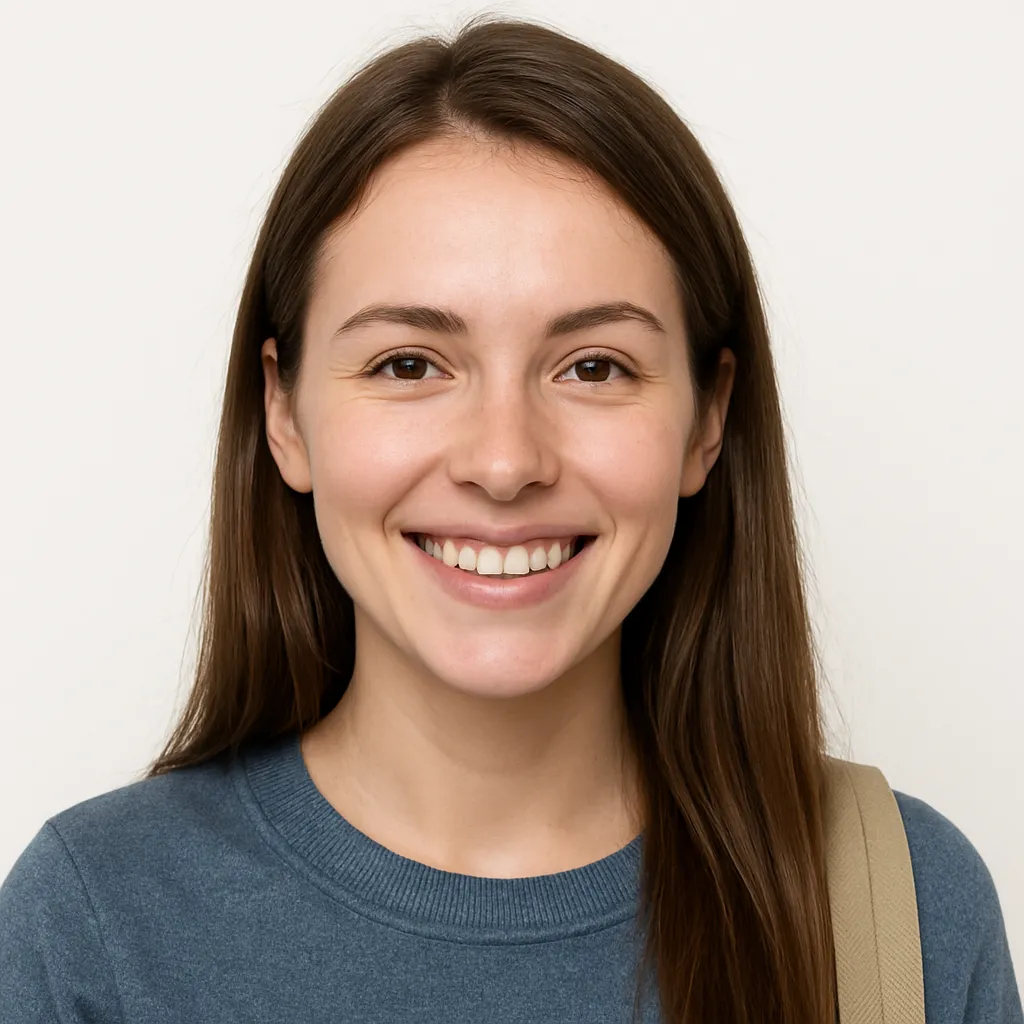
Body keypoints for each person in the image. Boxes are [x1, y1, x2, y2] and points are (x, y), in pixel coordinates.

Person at [0, 15, 1019, 1024]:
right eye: (408, 364)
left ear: (707, 420)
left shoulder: (903, 913)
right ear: (283, 412)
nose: (503, 460)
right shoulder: (93, 928)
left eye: (592, 367)